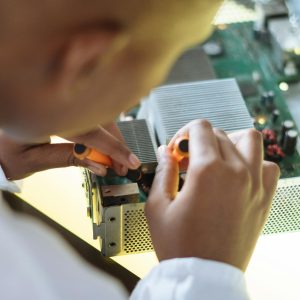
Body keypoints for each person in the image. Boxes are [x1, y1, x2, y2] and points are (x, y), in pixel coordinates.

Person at [0, 0, 279, 299]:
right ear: (89, 63)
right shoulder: (36, 280)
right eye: (169, 58)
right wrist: (204, 270)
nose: (151, 90)